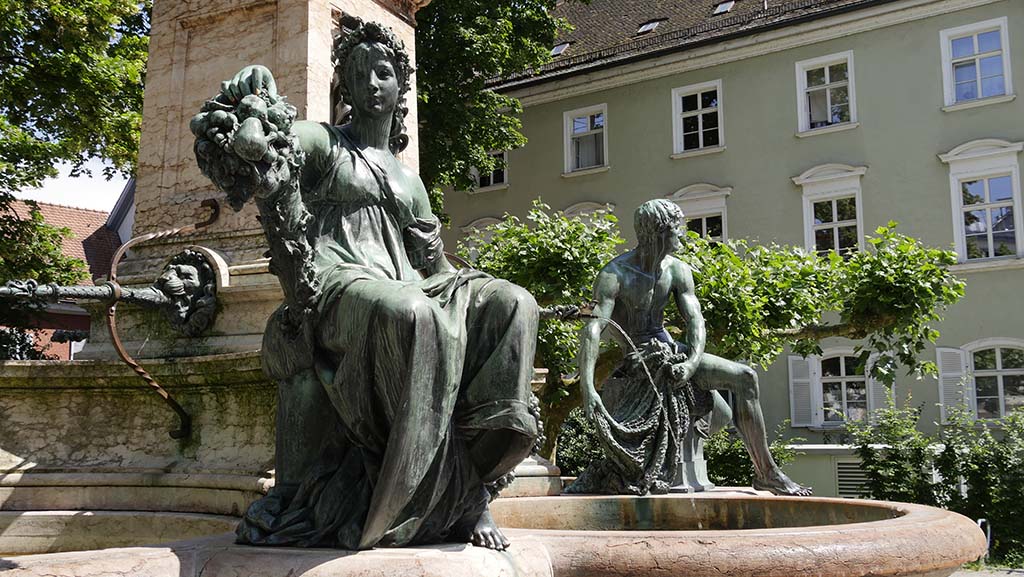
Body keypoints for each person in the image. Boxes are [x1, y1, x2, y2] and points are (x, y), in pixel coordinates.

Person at [193, 21, 538, 551]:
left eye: (384, 73)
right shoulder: (326, 143)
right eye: (360, 76)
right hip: (338, 281)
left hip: (406, 282)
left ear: (401, 87)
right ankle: (447, 495)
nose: (373, 84)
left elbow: (436, 267)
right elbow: (274, 144)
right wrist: (256, 95)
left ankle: (470, 477)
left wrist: (471, 291)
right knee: (414, 315)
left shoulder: (410, 181)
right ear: (346, 90)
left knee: (513, 304)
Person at [572, 199, 811, 496]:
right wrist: (588, 387)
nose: (682, 235)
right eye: (677, 228)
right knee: (720, 412)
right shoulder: (614, 274)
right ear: (658, 232)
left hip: (675, 351)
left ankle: (767, 473)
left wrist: (691, 363)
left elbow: (695, 320)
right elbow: (593, 328)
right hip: (639, 357)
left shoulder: (677, 270)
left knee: (744, 380)